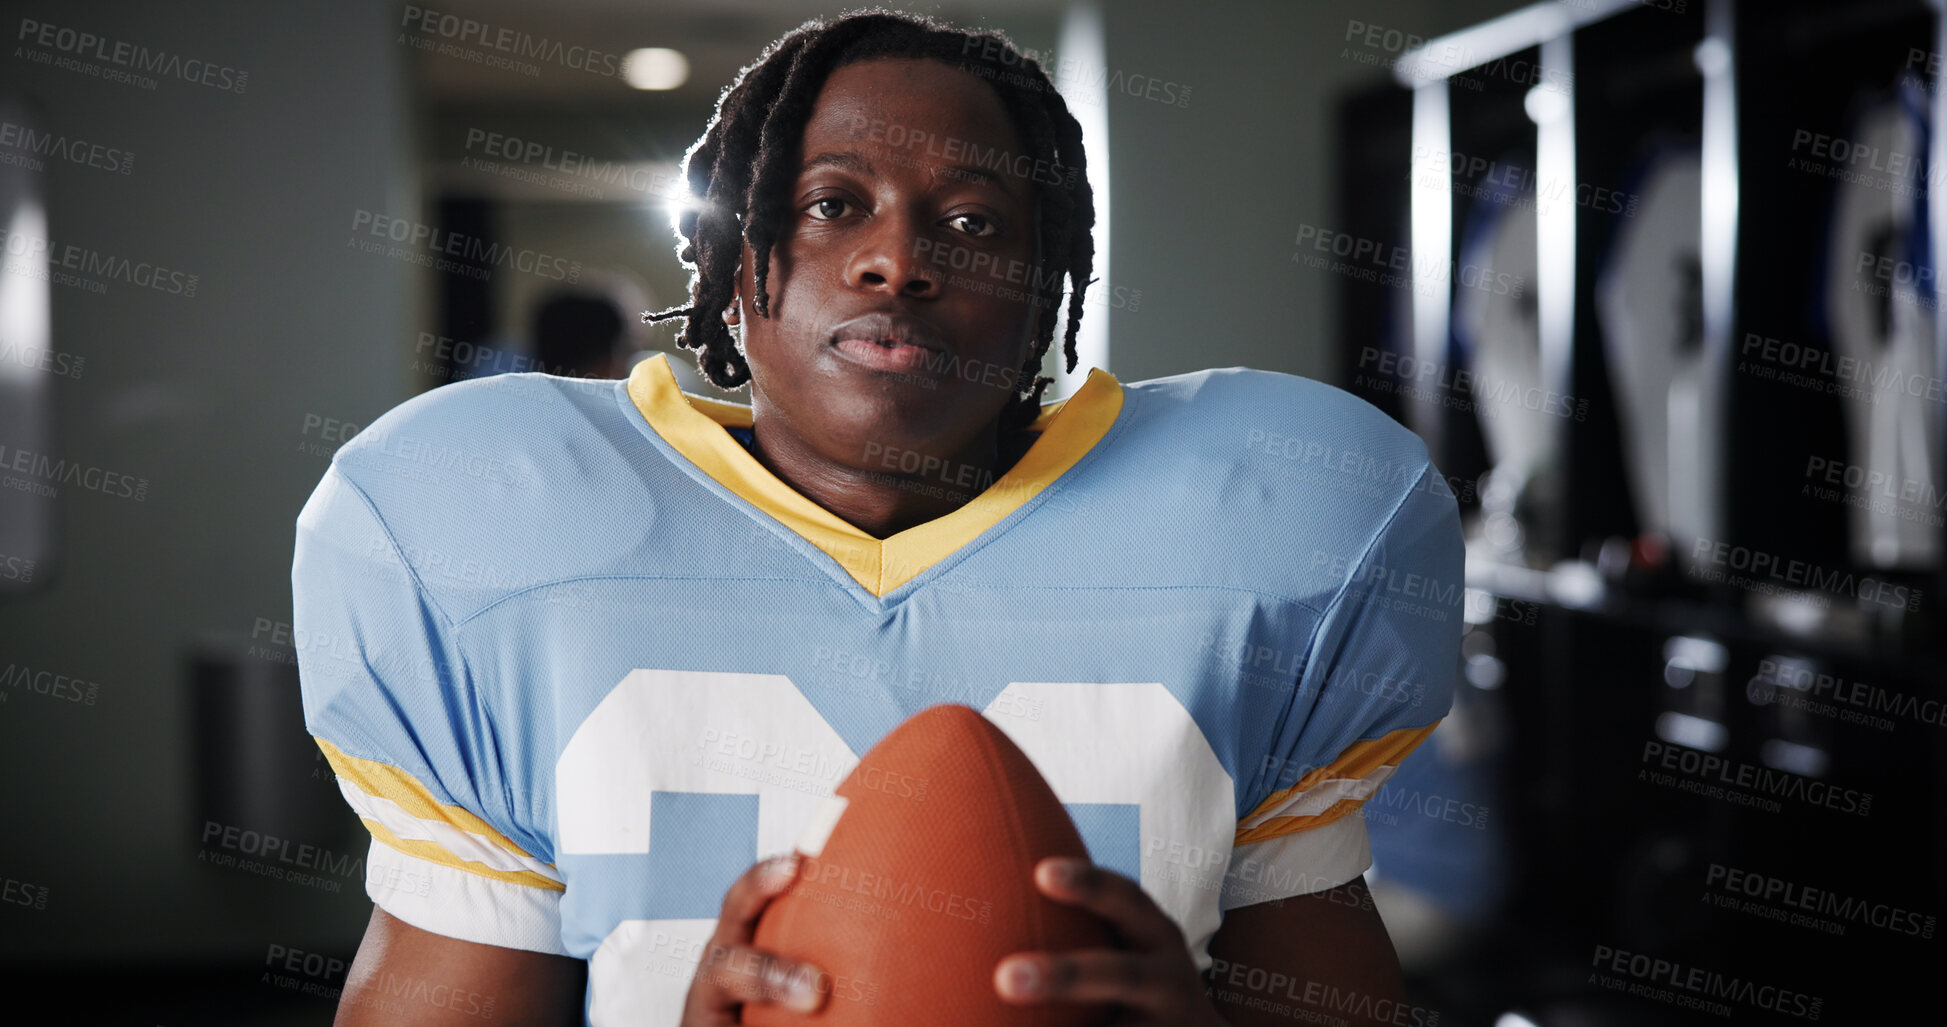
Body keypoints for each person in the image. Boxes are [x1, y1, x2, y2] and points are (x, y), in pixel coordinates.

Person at [293, 11, 1462, 1026]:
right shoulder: (488, 530)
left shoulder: (1269, 529)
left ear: (1047, 283)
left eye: (973, 224)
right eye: (832, 203)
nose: (896, 259)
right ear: (729, 254)